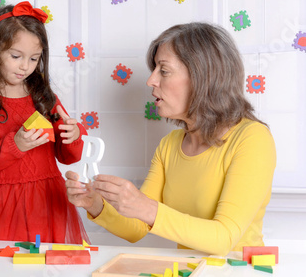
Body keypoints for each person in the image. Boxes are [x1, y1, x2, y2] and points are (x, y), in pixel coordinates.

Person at [65, 22, 276, 256]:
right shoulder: (170, 145)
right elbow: (137, 226)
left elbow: (224, 238)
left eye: (163, 71)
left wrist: (149, 209)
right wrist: (94, 203)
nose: (151, 81)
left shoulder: (252, 138)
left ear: (203, 77)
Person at [0, 1, 89, 244]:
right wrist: (15, 145)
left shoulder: (43, 96)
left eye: (33, 59)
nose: (25, 66)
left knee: (43, 263)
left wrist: (73, 135)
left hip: (46, 200)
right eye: (16, 56)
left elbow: (67, 157)